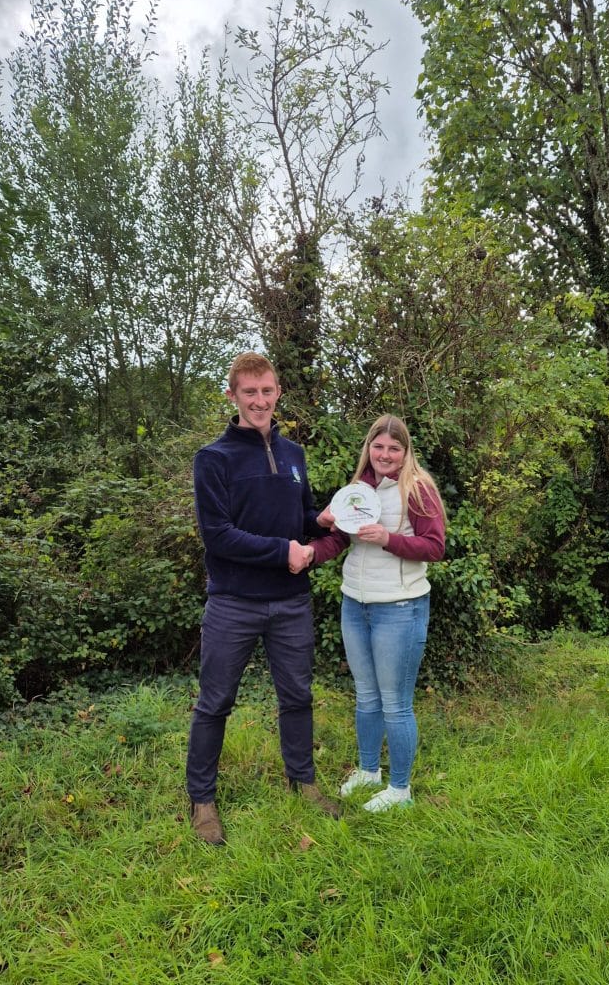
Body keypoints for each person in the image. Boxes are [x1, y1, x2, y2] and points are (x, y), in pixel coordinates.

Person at [186, 351, 338, 845]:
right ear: (231, 395)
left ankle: (303, 781)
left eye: (267, 390)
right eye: (249, 392)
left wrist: (323, 522)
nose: (259, 400)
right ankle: (202, 800)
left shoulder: (294, 454)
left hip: (291, 601)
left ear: (277, 393)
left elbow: (302, 516)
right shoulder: (213, 458)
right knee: (215, 702)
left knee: (297, 696)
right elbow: (218, 536)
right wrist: (284, 552)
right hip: (235, 602)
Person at [310, 414, 446, 811]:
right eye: (379, 446)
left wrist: (388, 538)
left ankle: (400, 790)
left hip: (400, 609)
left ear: (406, 453)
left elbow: (435, 547)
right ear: (368, 448)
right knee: (366, 697)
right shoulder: (356, 491)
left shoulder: (417, 490)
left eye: (394, 448)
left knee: (395, 703)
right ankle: (369, 772)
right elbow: (336, 541)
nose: (385, 455)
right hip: (355, 604)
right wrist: (311, 546)